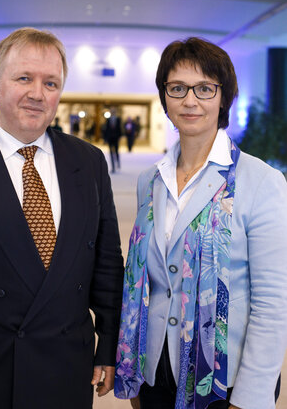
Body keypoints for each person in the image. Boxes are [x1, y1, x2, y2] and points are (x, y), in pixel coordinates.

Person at [0, 27, 124, 409]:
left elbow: (107, 264)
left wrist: (108, 345)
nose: (37, 93)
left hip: (66, 369)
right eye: (24, 78)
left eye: (51, 82)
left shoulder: (88, 161)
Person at [115, 37, 287, 409]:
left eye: (204, 89)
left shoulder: (261, 181)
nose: (190, 101)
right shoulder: (151, 179)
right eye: (177, 88)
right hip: (156, 373)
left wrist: (252, 396)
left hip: (226, 379)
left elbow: (273, 302)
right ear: (165, 97)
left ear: (223, 97)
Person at [104, 108, 122, 173]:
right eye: (111, 111)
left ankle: (117, 162)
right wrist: (105, 138)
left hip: (116, 138)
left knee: (116, 151)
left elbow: (120, 128)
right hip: (110, 138)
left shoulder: (118, 119)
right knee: (111, 152)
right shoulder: (108, 120)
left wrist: (120, 136)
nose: (112, 112)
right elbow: (106, 129)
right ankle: (113, 167)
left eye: (113, 111)